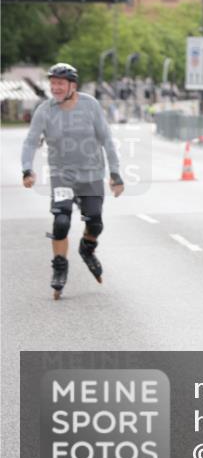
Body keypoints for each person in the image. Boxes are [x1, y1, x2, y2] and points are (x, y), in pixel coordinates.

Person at [21, 63, 124, 299]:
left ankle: (87, 248)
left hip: (91, 176)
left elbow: (107, 139)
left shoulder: (90, 106)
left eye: (60, 83)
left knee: (95, 222)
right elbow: (30, 142)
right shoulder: (44, 110)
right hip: (62, 177)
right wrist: (27, 169)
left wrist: (115, 174)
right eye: (53, 83)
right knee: (61, 221)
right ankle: (59, 268)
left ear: (72, 85)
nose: (55, 87)